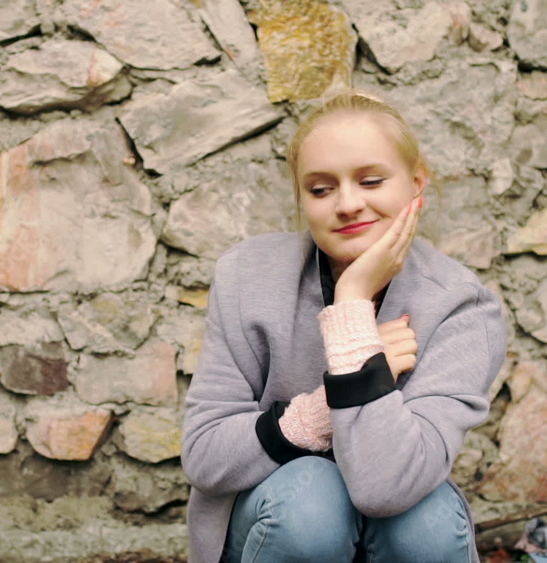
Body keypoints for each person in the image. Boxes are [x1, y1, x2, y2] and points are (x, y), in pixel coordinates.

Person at [180, 90, 508, 563]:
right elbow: (206, 457)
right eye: (320, 189)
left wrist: (352, 307)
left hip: (394, 514)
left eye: (371, 180)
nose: (348, 204)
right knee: (312, 497)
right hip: (276, 526)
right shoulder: (246, 277)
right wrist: (325, 405)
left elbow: (386, 488)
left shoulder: (463, 307)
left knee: (427, 522)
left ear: (417, 183)